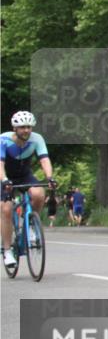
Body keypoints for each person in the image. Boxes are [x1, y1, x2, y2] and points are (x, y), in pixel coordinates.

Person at [1, 112, 57, 267]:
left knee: (39, 194)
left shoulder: (37, 139)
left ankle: (32, 224)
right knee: (6, 209)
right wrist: (4, 180)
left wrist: (49, 178)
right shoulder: (3, 140)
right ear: (15, 128)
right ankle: (7, 251)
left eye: (29, 127)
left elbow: (44, 159)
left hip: (24, 175)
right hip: (4, 176)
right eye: (22, 127)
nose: (26, 130)